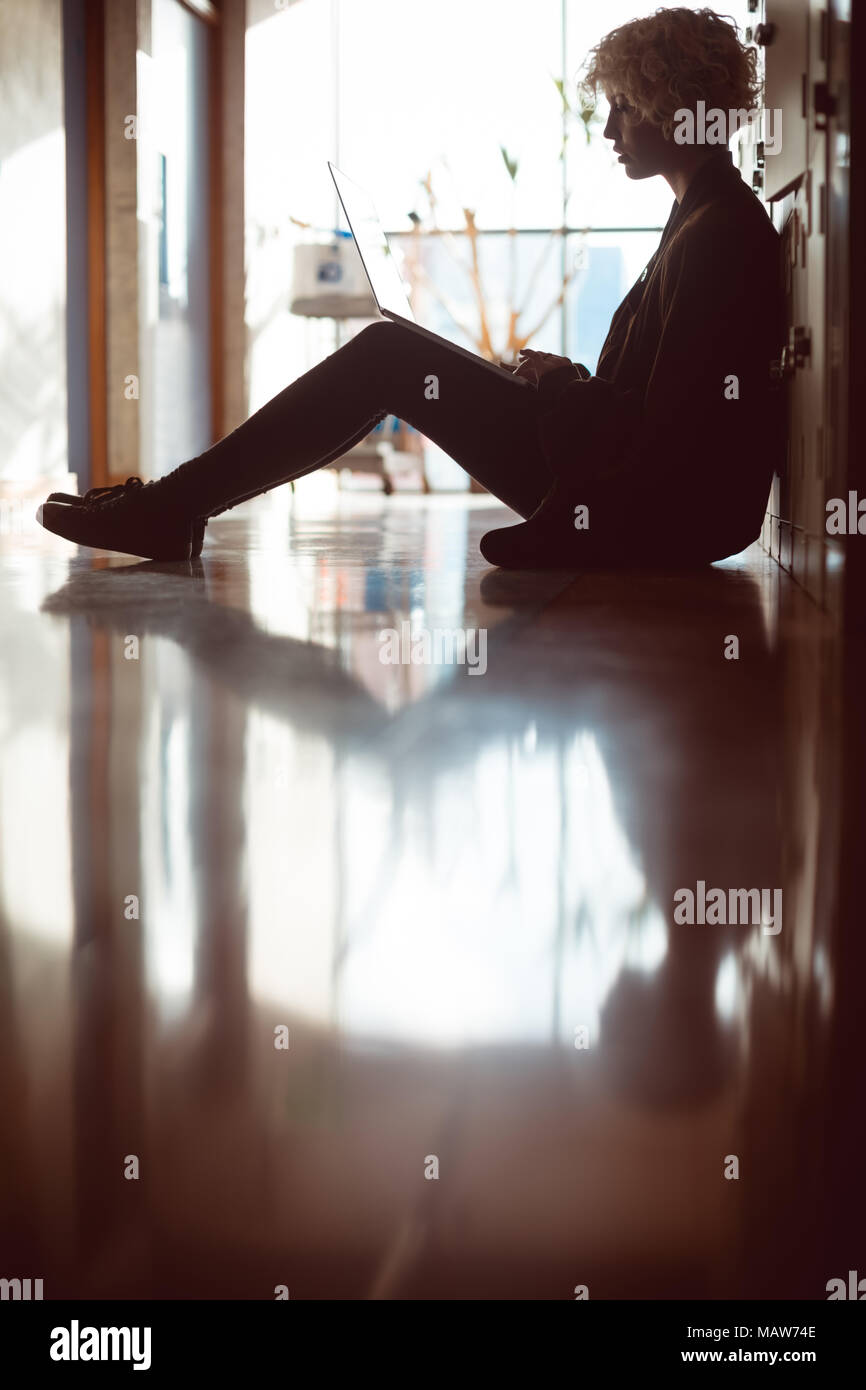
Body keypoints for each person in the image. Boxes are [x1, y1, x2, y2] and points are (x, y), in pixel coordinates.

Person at [37, 6, 784, 569]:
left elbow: (664, 444)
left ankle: (171, 509)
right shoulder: (701, 217)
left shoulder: (717, 234)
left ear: (672, 105)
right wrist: (561, 383)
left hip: (648, 515)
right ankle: (173, 507)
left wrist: (561, 386)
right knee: (396, 354)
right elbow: (652, 412)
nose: (610, 128)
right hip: (635, 495)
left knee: (388, 355)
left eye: (624, 105)